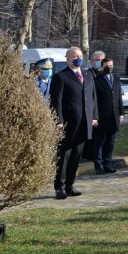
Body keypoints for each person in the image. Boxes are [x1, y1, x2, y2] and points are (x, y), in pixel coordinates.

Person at [49, 46, 97, 199]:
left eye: (80, 55)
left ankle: (70, 184)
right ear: (68, 58)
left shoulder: (88, 75)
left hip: (84, 123)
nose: (78, 58)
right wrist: (59, 120)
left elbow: (93, 97)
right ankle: (60, 186)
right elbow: (56, 102)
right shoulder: (60, 77)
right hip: (68, 124)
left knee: (77, 155)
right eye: (75, 56)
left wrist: (94, 116)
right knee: (64, 156)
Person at [90, 51, 123, 174]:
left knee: (110, 142)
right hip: (101, 117)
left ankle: (107, 163)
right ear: (102, 66)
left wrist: (121, 113)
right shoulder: (96, 80)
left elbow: (118, 97)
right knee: (99, 143)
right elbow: (94, 100)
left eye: (111, 66)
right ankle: (98, 166)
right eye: (107, 66)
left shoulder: (116, 79)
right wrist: (95, 117)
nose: (109, 68)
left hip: (113, 116)